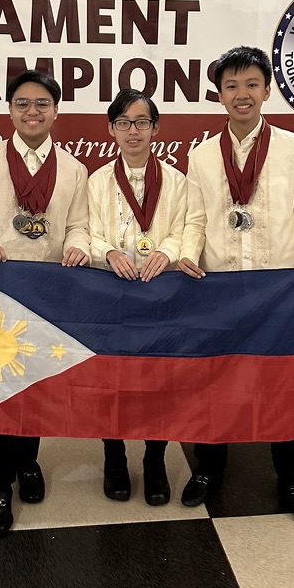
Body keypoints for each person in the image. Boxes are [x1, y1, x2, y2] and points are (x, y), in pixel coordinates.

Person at [178, 46, 294, 522]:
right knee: (215, 383)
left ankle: (291, 476)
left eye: (251, 84)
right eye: (231, 86)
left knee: (279, 386)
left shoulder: (293, 147)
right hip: (220, 289)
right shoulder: (203, 155)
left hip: (276, 292)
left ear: (267, 90)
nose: (242, 94)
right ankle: (209, 469)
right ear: (219, 95)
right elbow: (195, 218)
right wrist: (188, 255)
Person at [0, 70, 90, 536]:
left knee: (37, 384)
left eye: (41, 103)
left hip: (49, 290)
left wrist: (79, 246)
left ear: (55, 110)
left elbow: (78, 224)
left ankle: (29, 462)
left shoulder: (73, 169)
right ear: (9, 110)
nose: (32, 111)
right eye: (22, 103)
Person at [87, 89, 187, 506]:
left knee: (159, 382)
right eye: (124, 123)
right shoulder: (95, 181)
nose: (133, 131)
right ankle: (114, 458)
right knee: (113, 382)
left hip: (160, 294)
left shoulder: (178, 181)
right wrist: (106, 252)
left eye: (142, 122)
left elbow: (187, 229)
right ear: (111, 129)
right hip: (111, 294)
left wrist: (166, 251)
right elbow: (84, 232)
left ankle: (155, 459)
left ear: (155, 129)